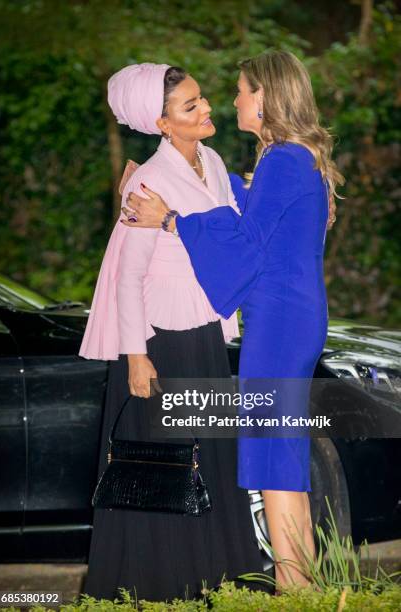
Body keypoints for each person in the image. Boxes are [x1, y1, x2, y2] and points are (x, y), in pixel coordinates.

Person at [121, 50, 344, 591]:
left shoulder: (286, 159)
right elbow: (257, 218)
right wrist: (234, 190)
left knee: (273, 450)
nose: (236, 99)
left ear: (265, 97)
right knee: (278, 449)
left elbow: (246, 244)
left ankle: (296, 585)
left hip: (282, 320)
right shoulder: (287, 157)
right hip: (289, 314)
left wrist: (171, 216)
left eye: (243, 90)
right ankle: (301, 582)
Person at [78, 63, 265, 603]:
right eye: (190, 105)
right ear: (161, 122)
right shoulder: (147, 182)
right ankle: (155, 586)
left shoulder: (211, 159)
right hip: (160, 343)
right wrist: (136, 356)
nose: (206, 108)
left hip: (204, 333)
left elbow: (228, 228)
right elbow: (128, 279)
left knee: (210, 462)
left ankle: (217, 582)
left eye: (202, 98)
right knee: (161, 473)